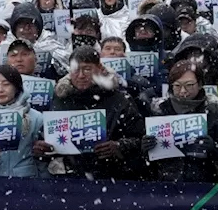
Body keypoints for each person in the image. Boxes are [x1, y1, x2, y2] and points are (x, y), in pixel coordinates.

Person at [47, 47, 147, 180]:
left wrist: (119, 147)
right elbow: (47, 139)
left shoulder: (120, 100)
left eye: (87, 69)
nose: (81, 75)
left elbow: (141, 139)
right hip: (69, 180)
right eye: (76, 70)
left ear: (99, 68)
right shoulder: (60, 100)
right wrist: (43, 149)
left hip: (113, 177)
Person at [141, 59, 218, 182]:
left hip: (204, 184)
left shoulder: (213, 110)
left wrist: (214, 149)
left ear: (199, 84)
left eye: (189, 85)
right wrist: (146, 148)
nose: (183, 91)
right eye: (177, 86)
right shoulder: (159, 111)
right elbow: (145, 160)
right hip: (166, 184)